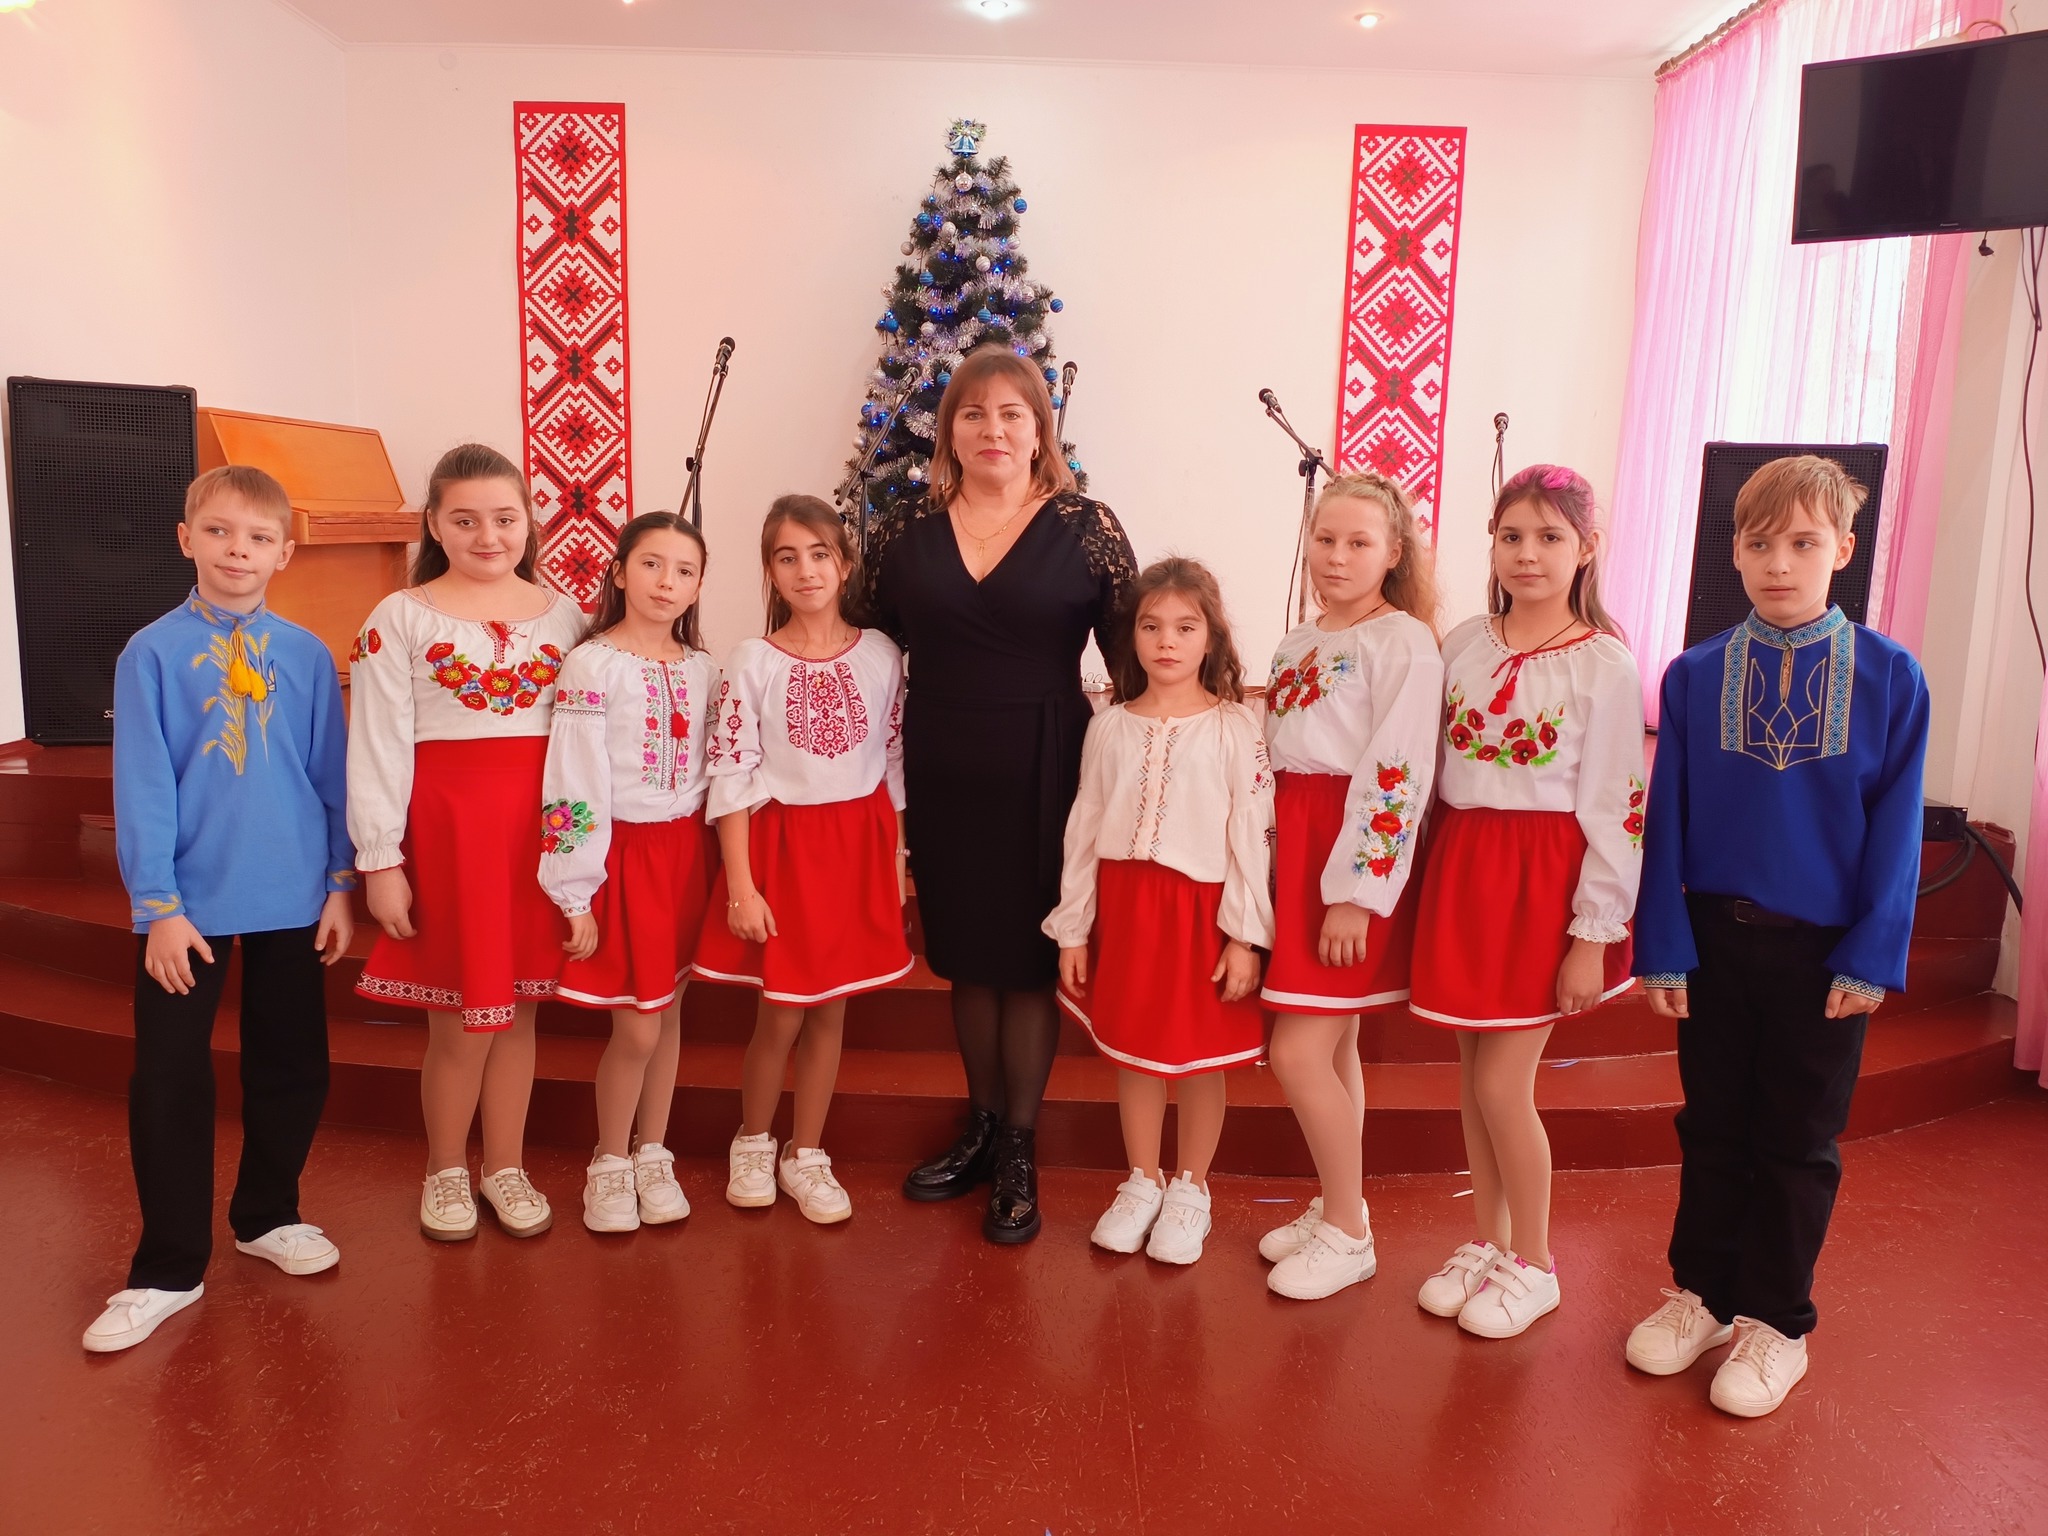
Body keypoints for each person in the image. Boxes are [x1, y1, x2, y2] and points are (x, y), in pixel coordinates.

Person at [1626, 456, 1929, 1418]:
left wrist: (1870, 956)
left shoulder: (1891, 677)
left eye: (1803, 542)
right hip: (1715, 940)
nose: (1779, 564)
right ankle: (1705, 1296)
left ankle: (1777, 1322)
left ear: (1843, 548)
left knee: (1798, 1140)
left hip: (1823, 954)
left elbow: (1898, 827)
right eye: (1759, 543)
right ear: (1735, 552)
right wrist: (1662, 941)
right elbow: (1667, 818)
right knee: (1712, 1125)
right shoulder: (1693, 675)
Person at [868, 344, 1137, 1245]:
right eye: (974, 413)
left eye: (1011, 414)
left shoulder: (1086, 526)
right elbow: (868, 643)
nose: (993, 428)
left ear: (1039, 430)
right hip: (943, 761)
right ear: (949, 431)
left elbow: (1136, 657)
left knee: (1026, 959)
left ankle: (1020, 1147)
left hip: (1047, 762)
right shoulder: (904, 529)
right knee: (967, 956)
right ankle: (979, 1129)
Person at [85, 465, 355, 1353]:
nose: (239, 551)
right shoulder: (151, 653)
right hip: (187, 908)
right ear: (186, 538)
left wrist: (339, 883)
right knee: (169, 1076)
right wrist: (157, 905)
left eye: (259, 537)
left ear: (285, 552)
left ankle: (268, 1214)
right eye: (220, 532)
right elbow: (143, 784)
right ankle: (168, 1267)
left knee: (292, 1062)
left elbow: (330, 775)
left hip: (293, 895)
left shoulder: (307, 655)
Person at [1407, 464, 1644, 1338]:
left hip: (1542, 880)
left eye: (1549, 537)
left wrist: (1592, 933)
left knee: (1506, 1084)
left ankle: (1537, 1261)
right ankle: (1490, 1239)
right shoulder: (1465, 642)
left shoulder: (1605, 662)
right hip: (1465, 864)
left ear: (1587, 549)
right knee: (1473, 1081)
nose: (1528, 554)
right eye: (1512, 536)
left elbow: (1618, 803)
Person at [348, 443, 586, 1242]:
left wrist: (581, 858)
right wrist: (381, 860)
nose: (489, 536)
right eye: (466, 520)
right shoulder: (400, 617)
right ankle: (446, 1169)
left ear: (530, 521)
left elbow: (584, 743)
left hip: (535, 838)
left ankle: (505, 1166)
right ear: (434, 524)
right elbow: (377, 744)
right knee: (459, 1019)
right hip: (449, 839)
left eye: (505, 518)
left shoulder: (564, 615)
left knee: (517, 1014)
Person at [1046, 559, 1274, 1266]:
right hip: (1127, 910)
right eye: (1151, 627)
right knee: (1138, 1055)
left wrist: (1244, 936)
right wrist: (1074, 927)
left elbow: (1252, 832)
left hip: (1200, 913)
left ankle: (1190, 1188)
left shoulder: (1236, 726)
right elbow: (1083, 827)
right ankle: (1141, 1180)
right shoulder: (1109, 725)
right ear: (1132, 637)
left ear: (1211, 637)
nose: (1166, 641)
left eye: (1184, 627)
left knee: (1198, 1058)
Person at [694, 495, 910, 1226]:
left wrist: (895, 857)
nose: (806, 570)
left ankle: (806, 1152)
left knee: (830, 1012)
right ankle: (753, 1141)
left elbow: (892, 760)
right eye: (787, 558)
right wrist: (741, 886)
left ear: (844, 563)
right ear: (770, 572)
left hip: (857, 846)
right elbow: (730, 775)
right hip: (784, 851)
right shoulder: (752, 660)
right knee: (781, 1013)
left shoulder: (881, 653)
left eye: (819, 554)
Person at [1258, 473, 1443, 1300]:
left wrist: (1356, 894)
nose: (1336, 556)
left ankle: (1349, 1232)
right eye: (1325, 539)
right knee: (1335, 1046)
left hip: (1346, 851)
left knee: (1296, 1051)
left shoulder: (1402, 642)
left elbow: (1397, 772)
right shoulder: (1297, 641)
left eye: (1358, 542)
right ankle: (1339, 1201)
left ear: (1393, 552)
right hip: (1294, 843)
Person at [539, 512, 718, 1234]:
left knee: (668, 1013)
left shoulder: (703, 668)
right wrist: (574, 889)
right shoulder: (593, 664)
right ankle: (609, 1159)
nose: (666, 582)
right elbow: (572, 779)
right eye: (650, 564)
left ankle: (652, 1151)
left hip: (688, 857)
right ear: (618, 572)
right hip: (623, 857)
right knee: (638, 1028)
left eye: (684, 570)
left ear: (698, 586)